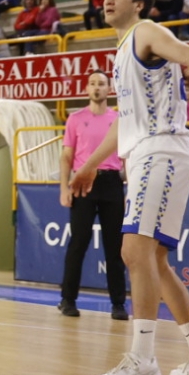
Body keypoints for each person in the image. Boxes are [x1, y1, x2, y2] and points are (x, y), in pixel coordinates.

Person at [70, 0, 189, 375]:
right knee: (156, 261)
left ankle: (143, 363)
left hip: (160, 150)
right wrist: (90, 164)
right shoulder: (121, 51)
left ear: (140, 4)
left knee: (133, 250)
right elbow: (125, 121)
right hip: (161, 151)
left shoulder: (145, 31)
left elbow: (187, 55)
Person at [57, 72, 127, 321]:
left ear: (109, 89)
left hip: (111, 182)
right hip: (83, 182)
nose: (97, 88)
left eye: (102, 84)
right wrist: (64, 188)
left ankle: (118, 303)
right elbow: (67, 156)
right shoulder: (75, 119)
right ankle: (67, 299)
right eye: (93, 84)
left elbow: (126, 153)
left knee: (115, 247)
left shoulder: (119, 119)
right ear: (87, 89)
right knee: (78, 242)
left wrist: (127, 177)